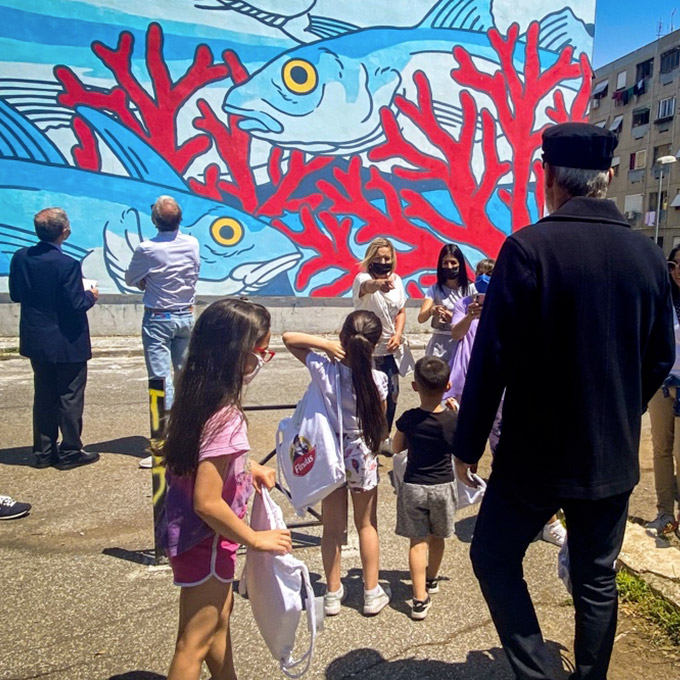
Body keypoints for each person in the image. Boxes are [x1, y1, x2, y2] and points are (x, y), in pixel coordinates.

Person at [453, 123, 674, 680]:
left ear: (548, 176)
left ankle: (538, 672)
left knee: (493, 556)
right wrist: (622, 409)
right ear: (608, 178)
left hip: (534, 457)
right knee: (596, 577)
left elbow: (492, 358)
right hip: (611, 455)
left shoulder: (528, 248)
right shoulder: (648, 255)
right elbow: (660, 356)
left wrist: (467, 445)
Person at [161, 298, 291, 680]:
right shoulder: (227, 417)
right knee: (193, 644)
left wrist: (247, 468)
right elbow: (206, 501)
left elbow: (204, 463)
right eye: (262, 351)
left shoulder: (196, 398)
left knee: (219, 621)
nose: (264, 360)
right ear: (238, 354)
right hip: (210, 543)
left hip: (196, 540)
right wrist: (255, 539)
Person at [445, 258, 566, 547]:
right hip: (468, 387)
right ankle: (485, 508)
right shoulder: (465, 304)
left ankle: (547, 521)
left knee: (513, 453)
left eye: (490, 275)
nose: (485, 281)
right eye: (481, 275)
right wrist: (471, 316)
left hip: (502, 390)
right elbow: (456, 334)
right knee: (468, 451)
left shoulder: (510, 304)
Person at [283, 310, 391, 617]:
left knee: (331, 528)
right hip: (360, 453)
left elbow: (289, 338)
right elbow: (380, 424)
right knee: (366, 524)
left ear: (343, 338)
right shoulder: (379, 379)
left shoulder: (324, 369)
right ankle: (371, 592)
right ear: (375, 344)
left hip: (329, 453)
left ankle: (332, 594)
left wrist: (326, 345)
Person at [9, 207, 100, 470]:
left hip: (37, 338)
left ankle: (43, 452)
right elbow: (76, 304)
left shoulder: (21, 257)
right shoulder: (67, 264)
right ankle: (70, 451)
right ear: (65, 232)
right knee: (70, 396)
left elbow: (16, 294)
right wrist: (91, 295)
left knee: (44, 395)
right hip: (68, 340)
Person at [125, 196, 200, 468]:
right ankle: (190, 440)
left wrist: (147, 281)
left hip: (158, 318)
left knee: (160, 382)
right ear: (180, 219)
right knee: (186, 379)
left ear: (154, 220)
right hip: (186, 315)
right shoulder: (192, 243)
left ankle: (164, 446)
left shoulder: (147, 249)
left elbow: (130, 278)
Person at [392, 356, 458, 621]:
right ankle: (431, 578)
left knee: (417, 542)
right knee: (437, 538)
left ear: (415, 386)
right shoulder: (452, 421)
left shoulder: (409, 419)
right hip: (443, 485)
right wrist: (456, 414)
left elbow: (396, 448)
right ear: (448, 386)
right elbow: (461, 448)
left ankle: (419, 599)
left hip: (414, 485)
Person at [352, 238, 407, 441]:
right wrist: (379, 284)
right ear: (370, 259)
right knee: (367, 395)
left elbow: (401, 311)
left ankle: (384, 437)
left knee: (392, 394)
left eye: (387, 258)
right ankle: (364, 436)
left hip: (389, 349)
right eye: (378, 258)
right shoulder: (362, 278)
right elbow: (367, 287)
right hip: (367, 350)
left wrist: (398, 334)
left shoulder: (397, 280)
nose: (383, 262)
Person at [646, 244, 680, 539]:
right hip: (662, 385)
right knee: (661, 449)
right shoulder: (661, 298)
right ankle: (665, 513)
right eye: (674, 264)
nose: (678, 270)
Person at [418, 244, 474, 363]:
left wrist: (454, 319)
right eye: (445, 263)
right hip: (438, 347)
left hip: (461, 344)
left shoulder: (471, 289)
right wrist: (432, 311)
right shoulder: (435, 289)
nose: (449, 267)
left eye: (453, 263)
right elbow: (421, 318)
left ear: (460, 264)